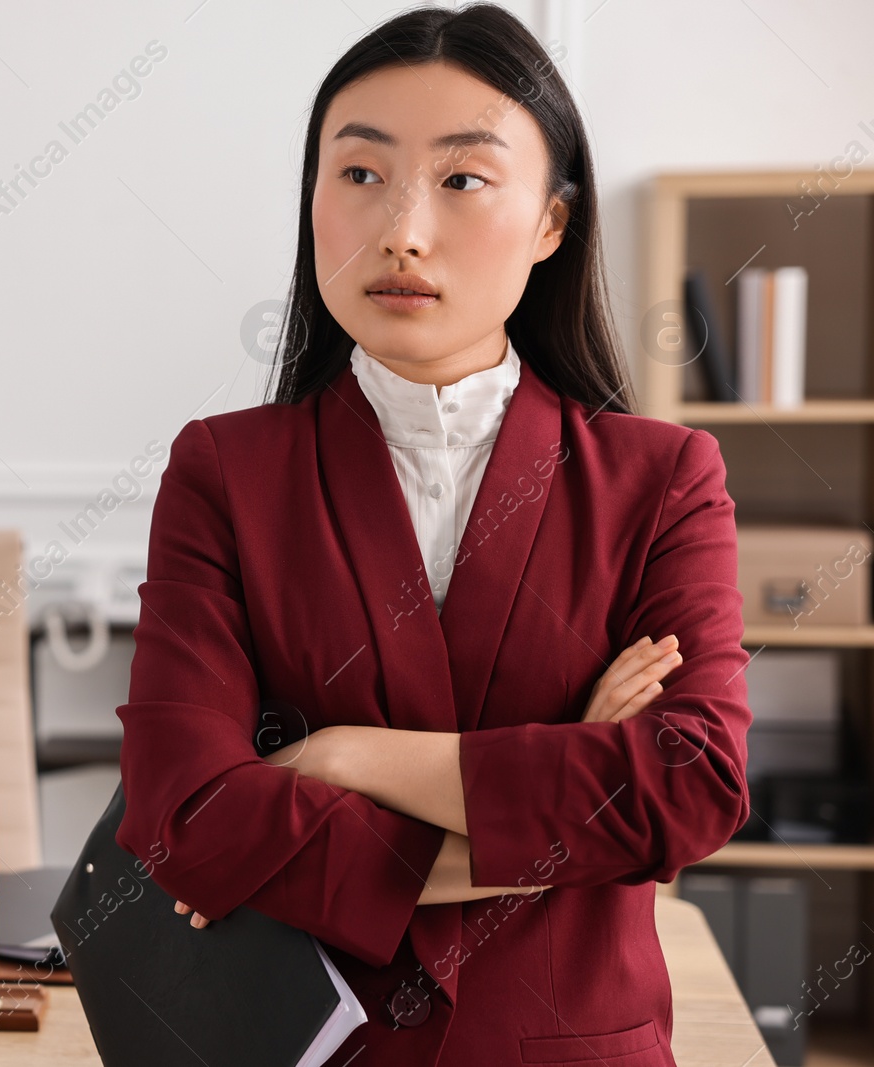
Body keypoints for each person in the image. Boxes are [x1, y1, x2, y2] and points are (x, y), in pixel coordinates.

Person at [112, 5, 750, 1065]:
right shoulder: (223, 470)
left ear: (550, 222)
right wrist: (571, 800)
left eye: (461, 179)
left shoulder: (662, 477)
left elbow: (692, 785)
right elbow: (185, 819)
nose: (401, 229)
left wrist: (340, 756)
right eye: (358, 174)